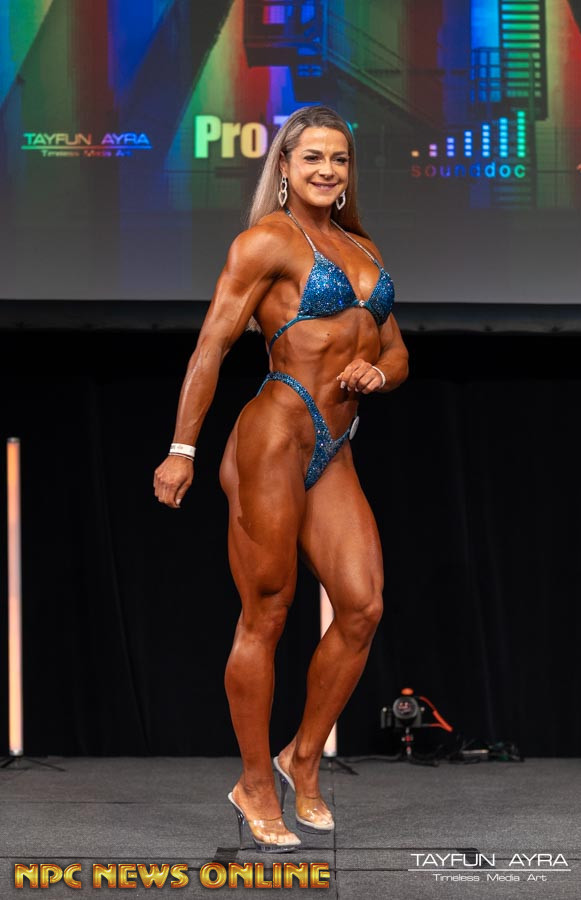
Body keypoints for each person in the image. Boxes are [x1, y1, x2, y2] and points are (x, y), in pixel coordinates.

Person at [153, 106, 409, 852]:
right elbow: (211, 346)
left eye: (340, 158)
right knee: (267, 611)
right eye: (313, 158)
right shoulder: (267, 240)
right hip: (273, 436)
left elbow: (396, 352)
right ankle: (254, 782)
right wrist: (182, 448)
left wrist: (379, 373)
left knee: (361, 606)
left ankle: (302, 756)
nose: (328, 170)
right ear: (286, 168)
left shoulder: (363, 248)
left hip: (336, 444)